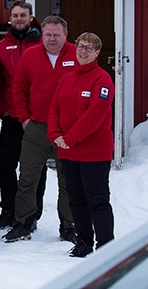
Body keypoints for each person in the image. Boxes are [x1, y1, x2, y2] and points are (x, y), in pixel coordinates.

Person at [3, 16, 76, 243]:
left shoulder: (77, 54)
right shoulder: (31, 56)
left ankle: (69, 226)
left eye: (56, 34)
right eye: (48, 35)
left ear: (66, 34)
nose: (52, 39)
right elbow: (19, 89)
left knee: (69, 180)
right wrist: (24, 119)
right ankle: (23, 223)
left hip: (67, 129)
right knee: (28, 178)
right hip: (37, 127)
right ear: (42, 34)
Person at [48, 32, 115, 258]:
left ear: (97, 52)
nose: (83, 51)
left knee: (97, 200)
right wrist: (56, 134)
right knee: (76, 199)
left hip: (94, 153)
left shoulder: (102, 79)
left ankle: (106, 247)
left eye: (89, 48)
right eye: (80, 47)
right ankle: (83, 241)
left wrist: (71, 137)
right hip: (68, 151)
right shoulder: (67, 78)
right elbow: (55, 107)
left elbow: (95, 114)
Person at [0, 0, 46, 228]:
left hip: (37, 117)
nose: (19, 19)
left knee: (35, 166)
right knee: (5, 163)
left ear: (30, 16)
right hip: (12, 116)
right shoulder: (2, 46)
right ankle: (9, 208)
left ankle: (31, 212)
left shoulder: (43, 43)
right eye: (15, 15)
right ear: (10, 18)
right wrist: (3, 110)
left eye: (23, 15)